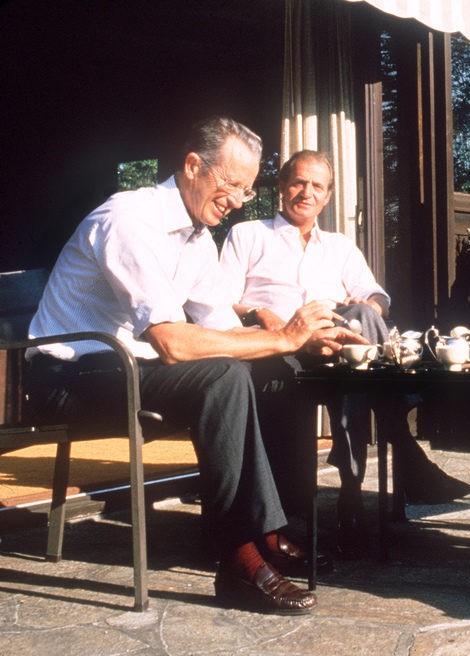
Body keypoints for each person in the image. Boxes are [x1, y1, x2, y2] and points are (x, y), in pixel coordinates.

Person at [27, 118, 366, 615]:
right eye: (232, 184)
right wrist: (280, 335)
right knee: (225, 374)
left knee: (274, 367)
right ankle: (237, 556)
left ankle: (264, 529)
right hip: (69, 375)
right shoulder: (129, 220)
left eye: (248, 191)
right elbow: (172, 344)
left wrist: (301, 342)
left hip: (127, 367)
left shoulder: (197, 238)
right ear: (192, 166)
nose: (237, 200)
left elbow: (225, 331)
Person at [219, 150, 470, 556]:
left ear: (328, 196)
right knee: (360, 356)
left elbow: (377, 298)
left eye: (317, 186)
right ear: (282, 187)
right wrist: (260, 312)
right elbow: (221, 300)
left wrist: (366, 309)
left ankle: (353, 491)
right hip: (280, 345)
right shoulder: (249, 234)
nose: (306, 192)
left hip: (337, 345)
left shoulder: (339, 246)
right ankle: (397, 451)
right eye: (299, 182)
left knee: (360, 321)